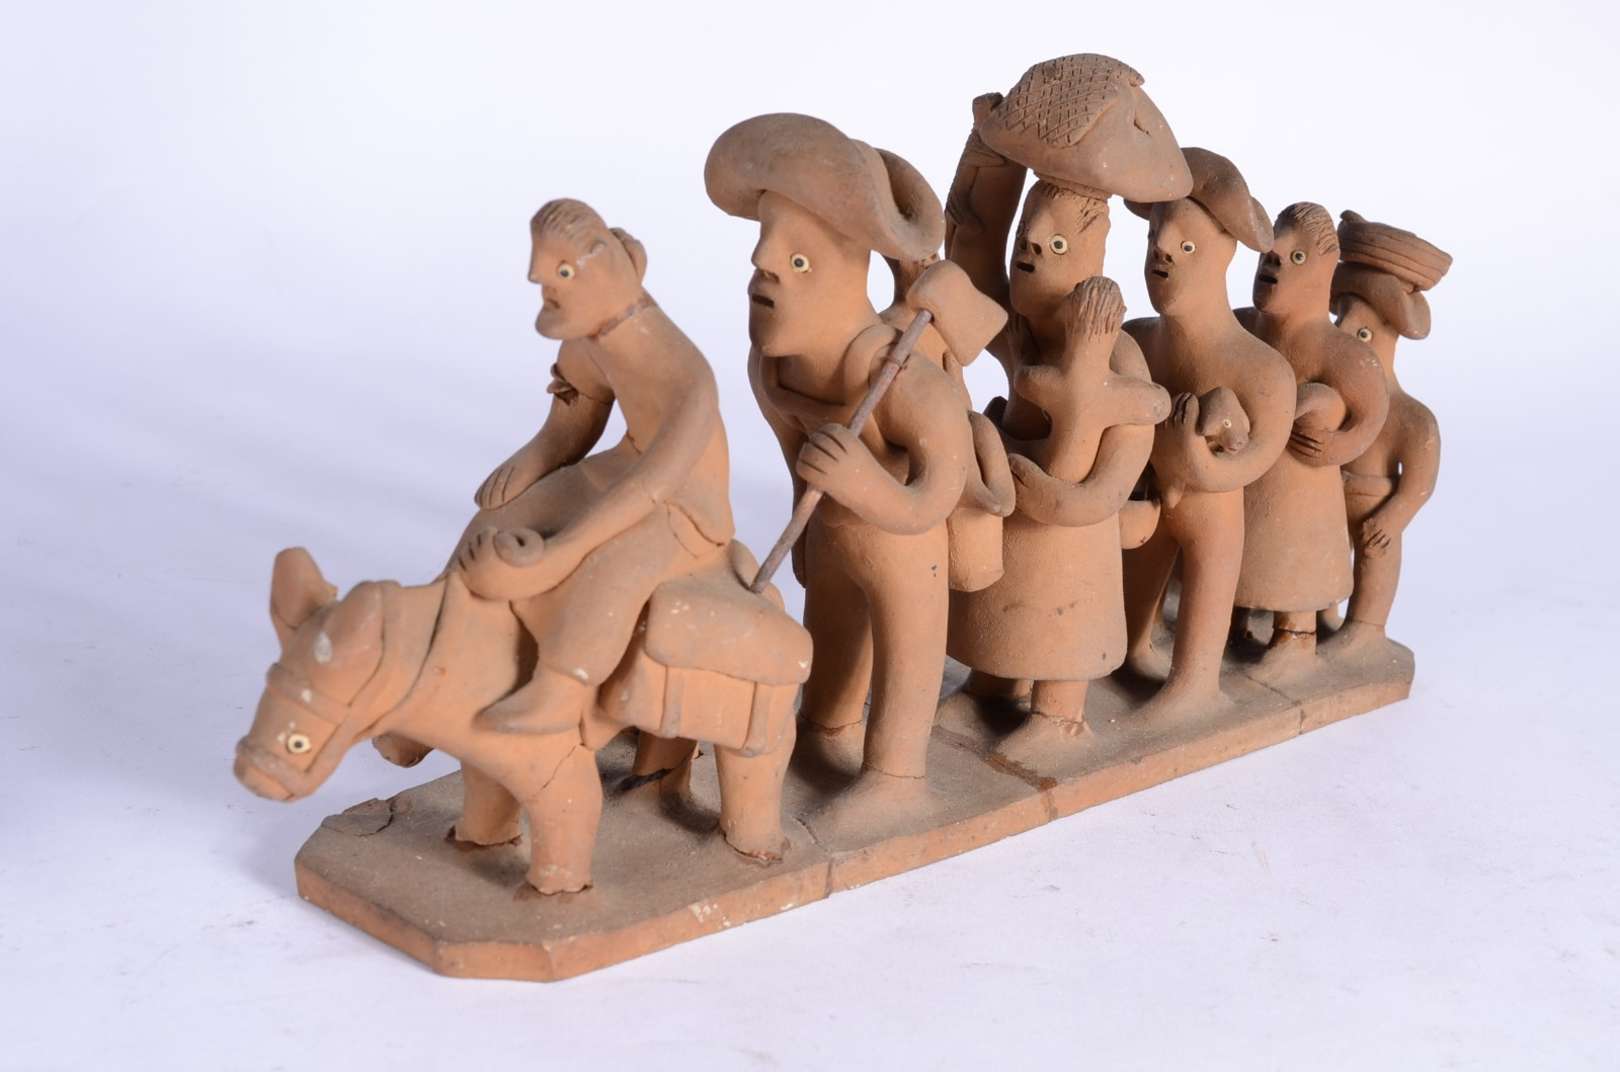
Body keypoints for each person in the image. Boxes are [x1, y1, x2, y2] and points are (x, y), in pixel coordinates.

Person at [453, 199, 734, 734]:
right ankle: (443, 646)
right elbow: (576, 415)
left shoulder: (687, 376)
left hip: (683, 502)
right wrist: (534, 461)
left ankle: (561, 688)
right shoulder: (589, 339)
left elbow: (653, 485)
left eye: (560, 274)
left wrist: (565, 549)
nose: (540, 283)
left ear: (603, 270)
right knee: (496, 520)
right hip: (626, 465)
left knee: (608, 568)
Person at [1119, 149, 1297, 718]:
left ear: (1224, 256)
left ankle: (1194, 683)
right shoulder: (1135, 340)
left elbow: (1255, 458)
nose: (1163, 253)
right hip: (1148, 501)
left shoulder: (1262, 371)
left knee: (1210, 577)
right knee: (1133, 596)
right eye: (1155, 241)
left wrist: (1197, 460)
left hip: (1210, 510)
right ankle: (1128, 652)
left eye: (1187, 247)